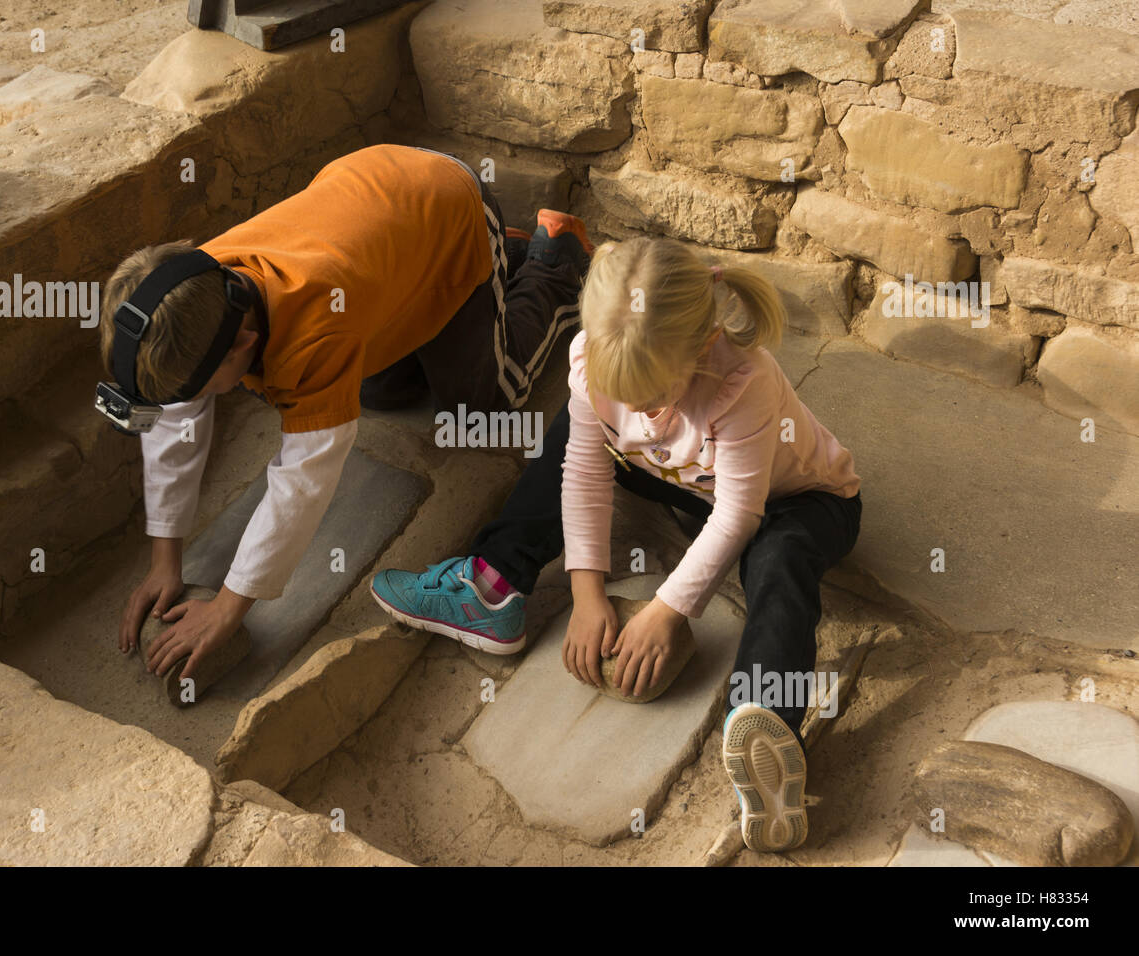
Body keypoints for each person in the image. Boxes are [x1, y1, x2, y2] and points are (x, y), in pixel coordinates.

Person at [370, 236, 863, 852]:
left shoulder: (744, 380)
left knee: (780, 559)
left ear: (702, 345)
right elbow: (585, 468)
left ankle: (765, 723)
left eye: (653, 394)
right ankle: (494, 588)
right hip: (683, 482)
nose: (634, 406)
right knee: (570, 442)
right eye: (623, 392)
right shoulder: (593, 358)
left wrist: (666, 609)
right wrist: (586, 594)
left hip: (801, 502)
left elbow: (741, 513)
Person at [100, 144, 592, 686]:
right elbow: (174, 420)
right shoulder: (188, 289)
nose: (188, 403)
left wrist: (226, 608)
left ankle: (548, 265)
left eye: (197, 390)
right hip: (376, 200)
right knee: (380, 392)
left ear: (244, 344)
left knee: (483, 408)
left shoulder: (315, 335)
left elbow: (302, 483)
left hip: (450, 208)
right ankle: (503, 269)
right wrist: (165, 559)